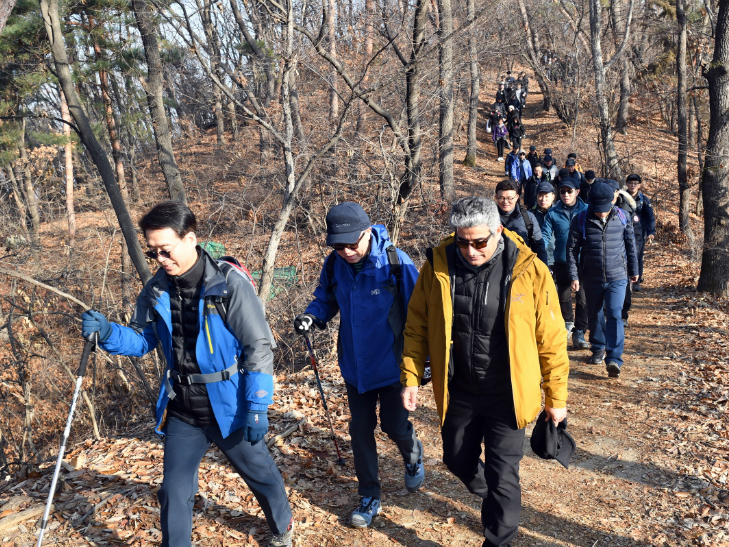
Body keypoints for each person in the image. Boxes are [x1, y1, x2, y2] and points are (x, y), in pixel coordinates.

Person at [80, 201, 294, 547]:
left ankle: (282, 525)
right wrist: (107, 333)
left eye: (166, 250)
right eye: (154, 253)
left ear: (190, 238)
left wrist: (257, 403)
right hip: (182, 406)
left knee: (260, 475)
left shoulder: (228, 285)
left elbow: (258, 345)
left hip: (229, 404)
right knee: (173, 490)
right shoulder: (155, 290)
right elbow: (142, 341)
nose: (161, 260)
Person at [399, 196, 569, 547]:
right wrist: (411, 377)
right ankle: (492, 496)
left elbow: (551, 339)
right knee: (456, 458)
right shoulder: (438, 266)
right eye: (462, 242)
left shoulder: (529, 269)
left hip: (508, 393)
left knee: (504, 475)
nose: (471, 250)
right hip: (459, 388)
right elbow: (417, 325)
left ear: (499, 231)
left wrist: (556, 397)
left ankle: (498, 538)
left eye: (479, 242)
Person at [294, 202, 424, 529]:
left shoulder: (396, 263)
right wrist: (313, 315)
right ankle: (369, 494)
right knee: (360, 430)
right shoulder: (334, 264)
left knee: (394, 427)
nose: (347, 251)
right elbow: (325, 298)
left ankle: (412, 454)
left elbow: (421, 316)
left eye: (353, 244)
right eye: (339, 246)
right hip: (355, 367)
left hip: (393, 366)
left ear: (367, 233)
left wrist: (420, 365)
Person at [567, 183, 639, 378]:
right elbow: (572, 250)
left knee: (615, 313)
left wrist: (634, 270)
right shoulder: (580, 219)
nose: (601, 214)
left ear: (612, 201)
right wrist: (574, 275)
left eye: (604, 209)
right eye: (597, 210)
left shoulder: (622, 217)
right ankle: (598, 347)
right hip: (591, 276)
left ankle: (614, 359)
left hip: (618, 276)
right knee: (595, 313)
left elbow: (630, 245)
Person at [542, 178, 589, 348]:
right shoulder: (553, 213)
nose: (566, 195)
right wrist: (540, 254)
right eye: (562, 192)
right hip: (562, 261)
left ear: (577, 192)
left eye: (569, 191)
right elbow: (545, 236)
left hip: (583, 262)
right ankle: (567, 323)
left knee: (583, 298)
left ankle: (580, 331)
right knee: (563, 296)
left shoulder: (587, 210)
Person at [495, 180, 547, 263]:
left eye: (509, 198)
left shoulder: (527, 218)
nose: (505, 202)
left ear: (517, 197)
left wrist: (545, 270)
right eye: (501, 198)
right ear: (496, 197)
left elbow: (538, 246)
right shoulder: (488, 218)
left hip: (521, 267)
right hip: (494, 268)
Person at [624, 174, 655, 288]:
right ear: (626, 184)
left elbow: (650, 216)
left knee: (637, 256)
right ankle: (626, 280)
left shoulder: (643, 199)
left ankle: (636, 281)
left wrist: (651, 232)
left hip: (639, 232)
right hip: (624, 231)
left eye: (635, 183)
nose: (633, 185)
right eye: (630, 183)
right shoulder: (622, 197)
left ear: (639, 185)